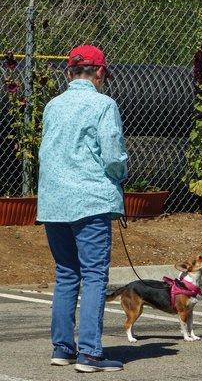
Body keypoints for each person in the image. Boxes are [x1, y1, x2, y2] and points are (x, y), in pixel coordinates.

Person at [37, 44, 128, 373]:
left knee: (66, 274)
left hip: (54, 203)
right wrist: (120, 178)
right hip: (90, 200)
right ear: (100, 73)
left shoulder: (52, 106)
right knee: (93, 275)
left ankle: (63, 348)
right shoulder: (104, 104)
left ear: (69, 72)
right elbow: (113, 154)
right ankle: (90, 353)